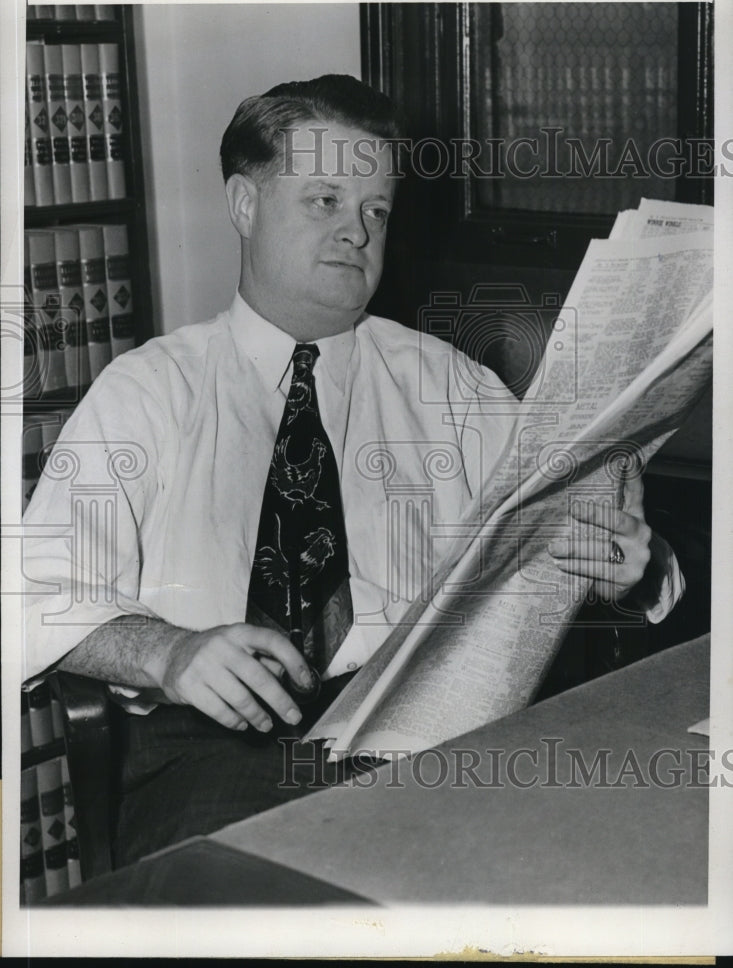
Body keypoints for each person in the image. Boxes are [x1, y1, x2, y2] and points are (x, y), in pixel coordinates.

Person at [22, 74, 682, 866]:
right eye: (324, 201)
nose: (357, 233)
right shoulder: (147, 391)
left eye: (375, 209)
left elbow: (558, 550)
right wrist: (167, 653)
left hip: (426, 740)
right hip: (219, 747)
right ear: (243, 203)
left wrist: (626, 571)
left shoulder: (454, 386)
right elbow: (35, 595)